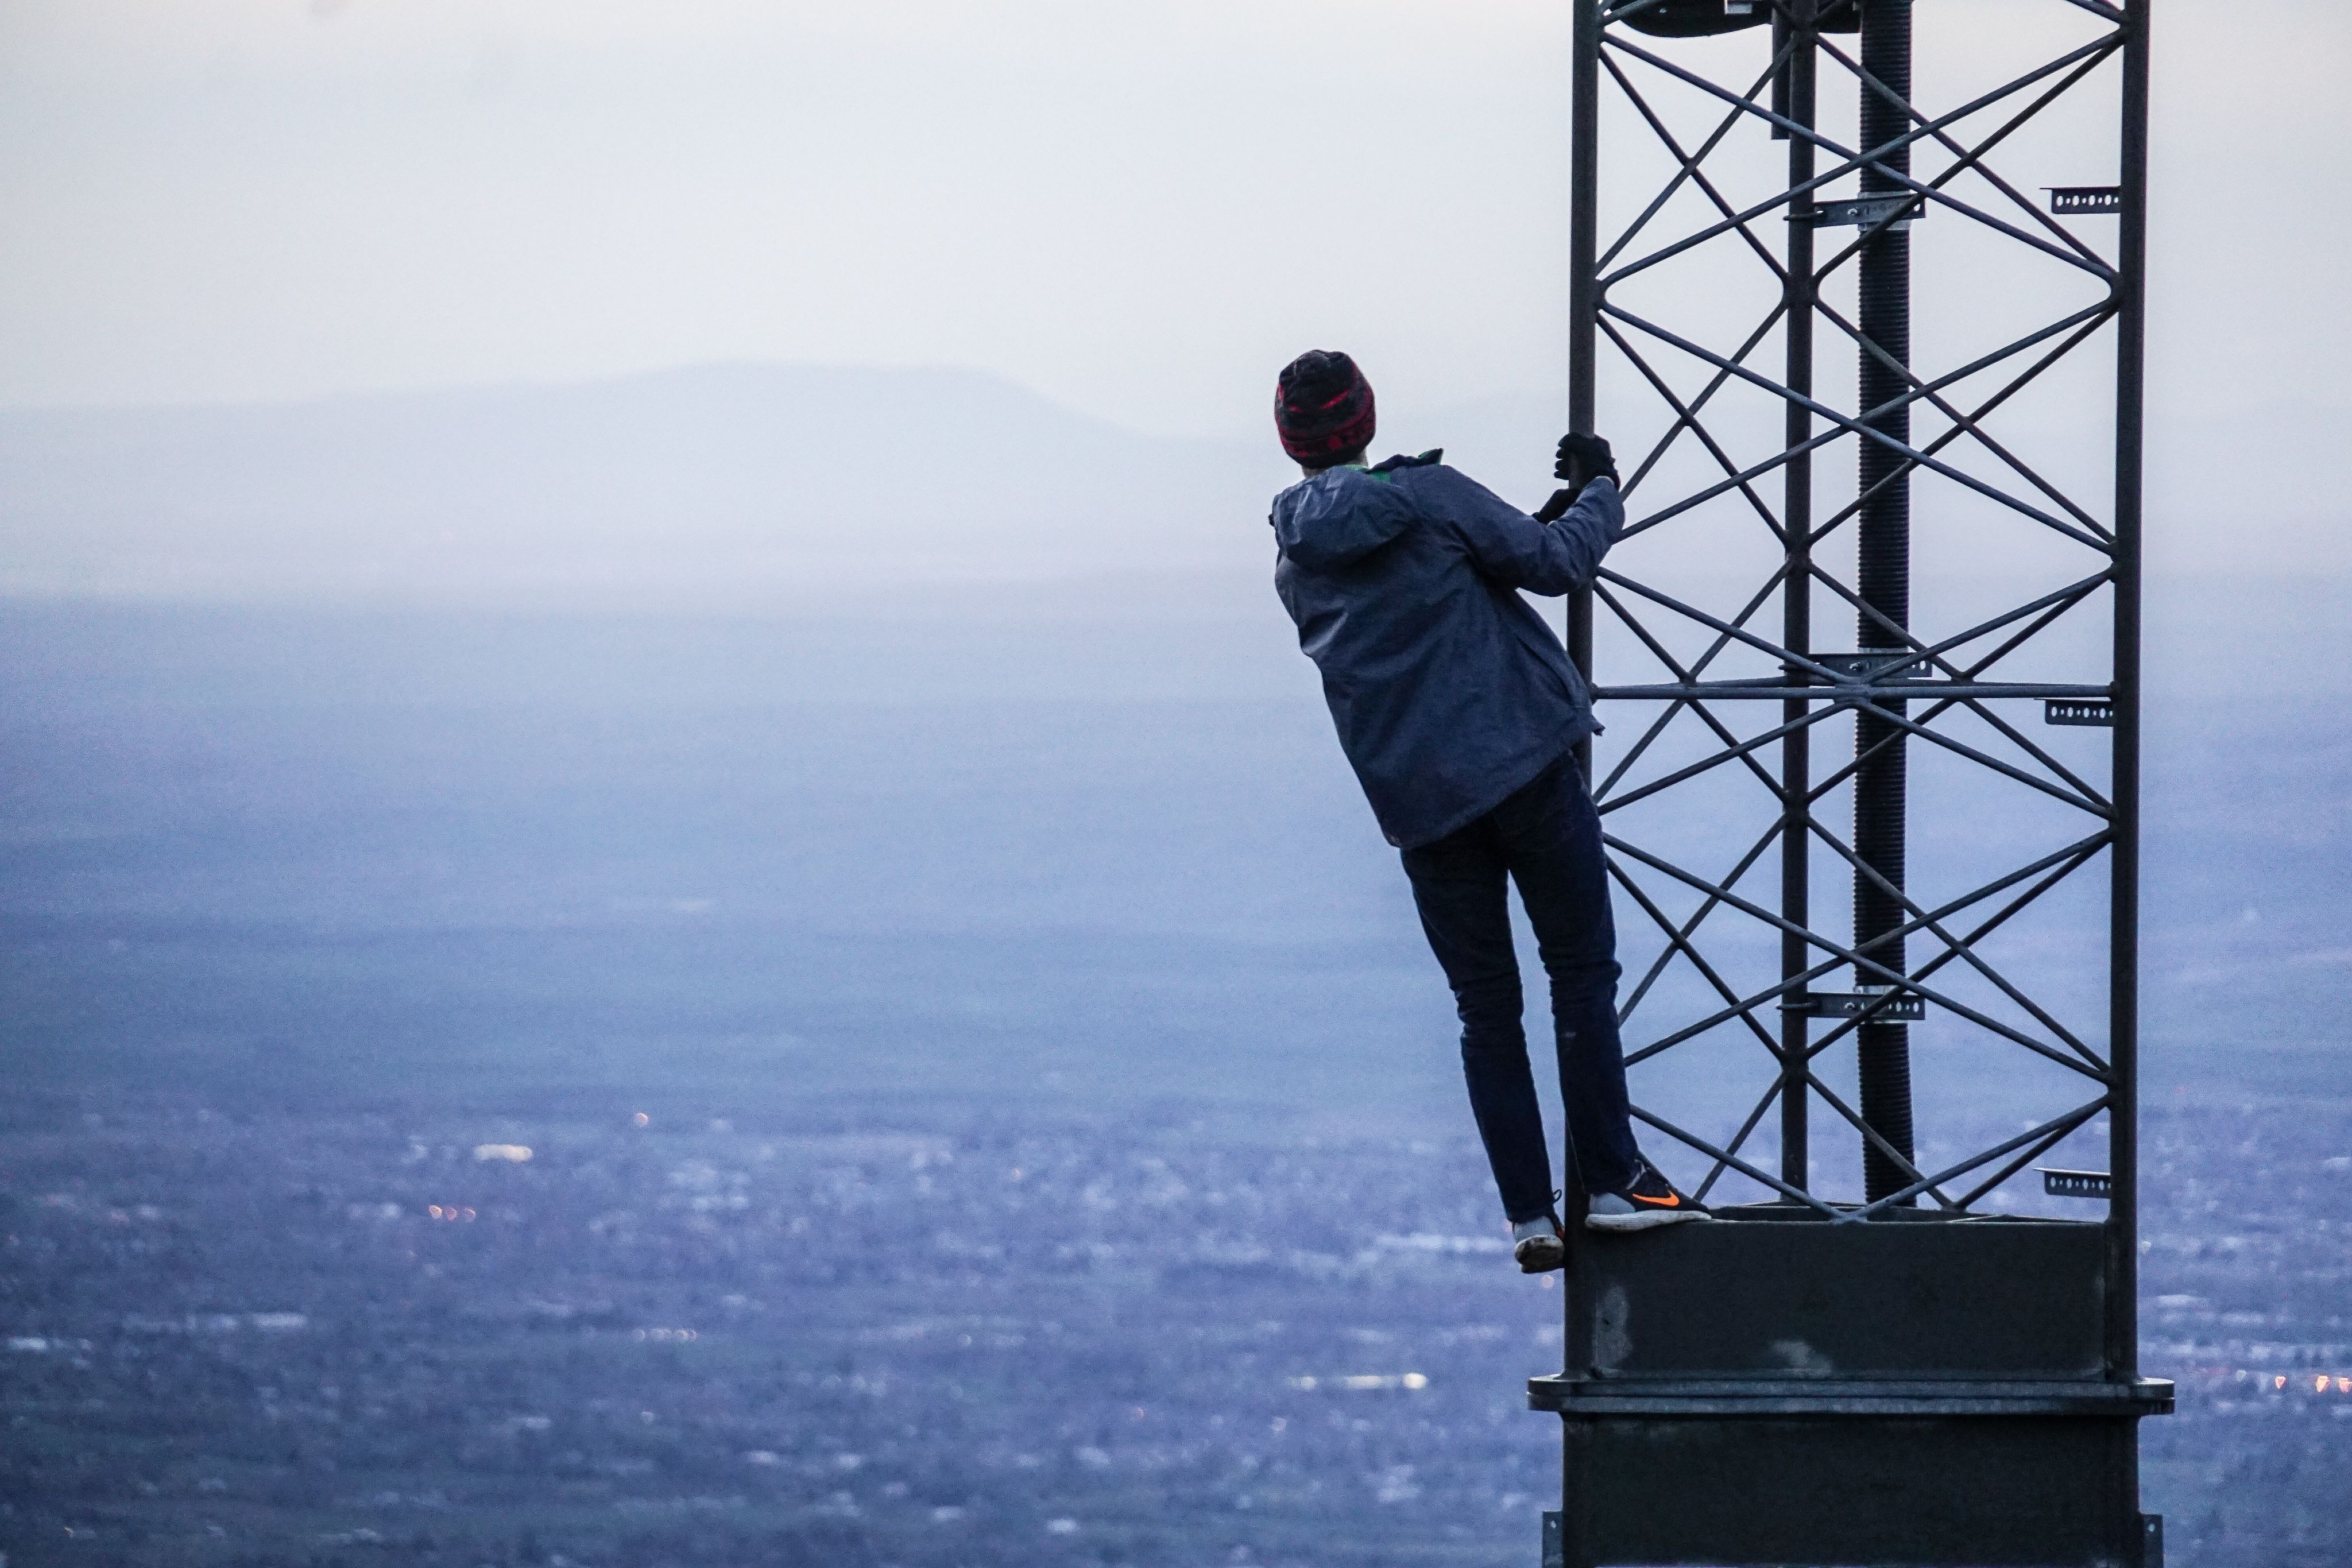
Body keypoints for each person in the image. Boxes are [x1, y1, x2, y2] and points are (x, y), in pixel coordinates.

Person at [1266, 349, 1708, 1274]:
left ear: (1291, 441)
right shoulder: (1428, 494)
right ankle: (1617, 1183)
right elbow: (1553, 567)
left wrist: (1521, 526)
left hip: (1424, 810)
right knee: (1580, 972)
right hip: (1526, 769)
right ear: (1367, 419)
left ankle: (1529, 1216)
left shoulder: (1294, 560)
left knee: (1485, 1007)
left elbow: (1431, 597)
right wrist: (1601, 491)